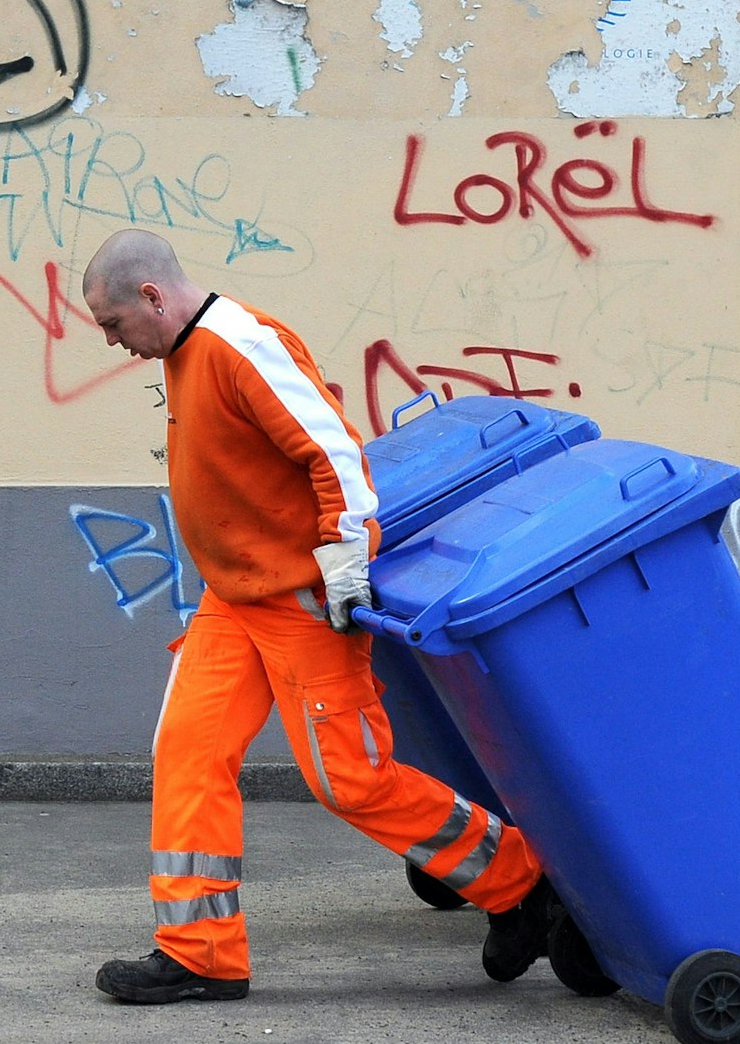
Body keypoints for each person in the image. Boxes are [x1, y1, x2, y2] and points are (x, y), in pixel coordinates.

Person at [81, 228, 558, 1005]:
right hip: (232, 597)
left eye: (113, 323)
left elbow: (333, 451)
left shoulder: (241, 345)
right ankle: (201, 953)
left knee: (348, 778)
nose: (111, 340)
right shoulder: (183, 350)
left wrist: (344, 564)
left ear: (152, 296)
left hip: (300, 597)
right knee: (188, 752)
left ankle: (520, 882)